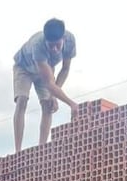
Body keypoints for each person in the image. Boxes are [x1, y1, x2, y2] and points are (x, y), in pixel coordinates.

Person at [13, 18, 78, 152]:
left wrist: (54, 96)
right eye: (51, 46)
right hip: (25, 67)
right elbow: (49, 83)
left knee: (48, 105)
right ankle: (17, 151)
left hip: (47, 67)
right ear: (45, 42)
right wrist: (71, 103)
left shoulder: (70, 41)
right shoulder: (38, 46)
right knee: (22, 100)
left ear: (63, 38)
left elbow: (65, 69)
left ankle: (41, 149)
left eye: (57, 46)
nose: (54, 49)